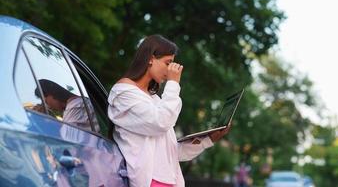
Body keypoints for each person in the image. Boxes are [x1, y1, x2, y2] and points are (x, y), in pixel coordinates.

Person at [107, 34, 230, 187]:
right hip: (149, 181)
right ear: (150, 58)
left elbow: (173, 152)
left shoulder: (155, 100)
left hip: (170, 181)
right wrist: (173, 84)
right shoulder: (123, 93)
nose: (171, 69)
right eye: (168, 62)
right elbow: (160, 122)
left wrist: (209, 139)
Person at [34, 79, 99, 132]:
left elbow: (66, 138)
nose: (48, 107)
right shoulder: (80, 103)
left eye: (46, 101)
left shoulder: (76, 107)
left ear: (51, 94)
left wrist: (46, 119)